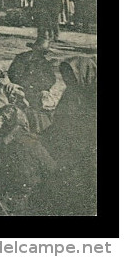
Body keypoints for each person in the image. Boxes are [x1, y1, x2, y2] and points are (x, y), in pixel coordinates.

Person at [42, 56, 96, 215]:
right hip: (69, 139)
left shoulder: (93, 93)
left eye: (71, 76)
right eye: (66, 76)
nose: (68, 80)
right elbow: (59, 116)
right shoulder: (71, 92)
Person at [7, 42, 57, 134]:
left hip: (36, 92)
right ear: (33, 48)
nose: (39, 54)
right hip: (20, 88)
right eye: (38, 50)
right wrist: (21, 84)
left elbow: (51, 79)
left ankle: (35, 130)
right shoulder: (21, 58)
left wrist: (41, 88)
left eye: (42, 52)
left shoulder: (44, 63)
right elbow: (12, 72)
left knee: (37, 112)